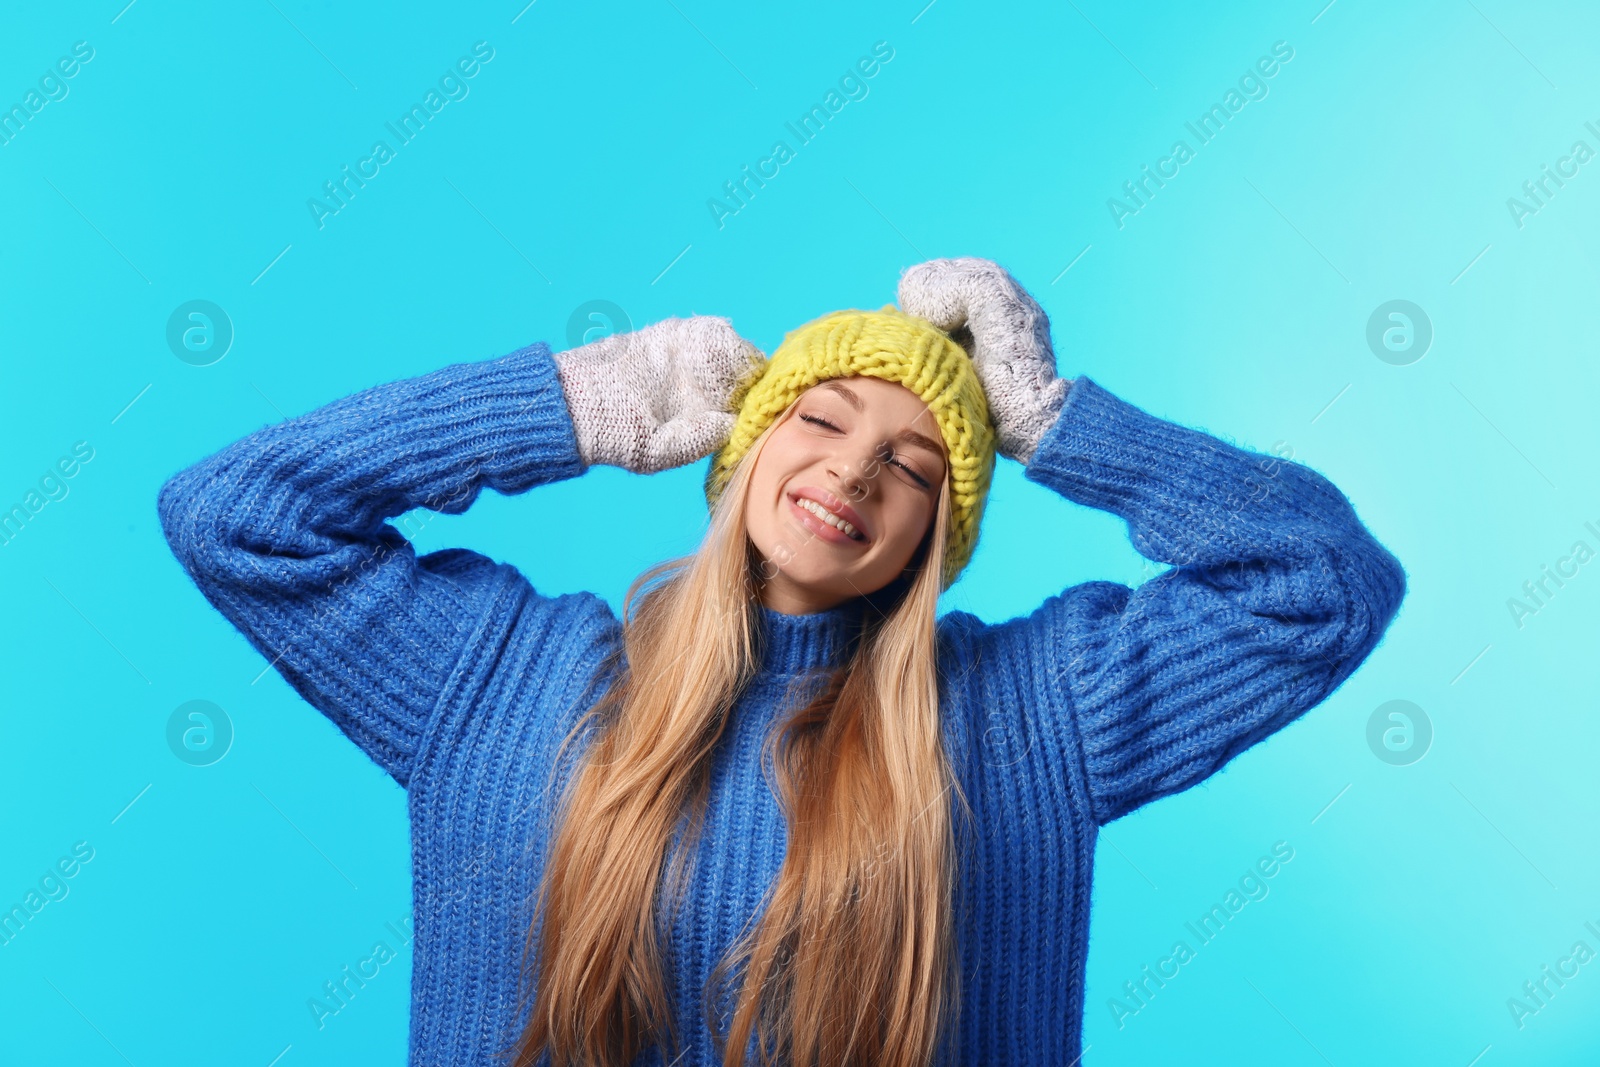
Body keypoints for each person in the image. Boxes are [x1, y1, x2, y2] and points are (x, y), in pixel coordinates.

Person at [156, 257, 1407, 1067]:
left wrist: (1055, 420)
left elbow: (1324, 584)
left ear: (938, 535)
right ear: (745, 452)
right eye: (819, 419)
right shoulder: (501, 679)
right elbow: (235, 513)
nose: (853, 471)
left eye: (914, 468)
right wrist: (575, 400)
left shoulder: (1027, 720)